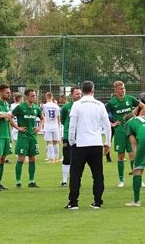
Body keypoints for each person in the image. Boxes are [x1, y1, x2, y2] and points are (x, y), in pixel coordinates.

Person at [65, 81, 111, 210]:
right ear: (93, 89)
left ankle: (73, 202)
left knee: (75, 174)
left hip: (80, 143)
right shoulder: (100, 105)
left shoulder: (77, 104)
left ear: (82, 90)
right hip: (96, 143)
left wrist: (71, 141)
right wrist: (107, 143)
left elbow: (72, 124)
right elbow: (107, 125)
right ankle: (97, 201)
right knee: (97, 174)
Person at [105, 81, 145, 188]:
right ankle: (121, 180)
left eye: (124, 88)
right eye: (120, 88)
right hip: (120, 131)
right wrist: (112, 124)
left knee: (133, 155)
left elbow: (144, 107)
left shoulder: (130, 99)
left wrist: (137, 118)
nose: (123, 90)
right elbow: (102, 114)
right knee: (121, 155)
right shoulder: (112, 103)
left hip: (131, 130)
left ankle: (138, 179)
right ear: (115, 90)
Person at [11, 89, 44, 188]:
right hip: (23, 137)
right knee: (21, 158)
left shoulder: (36, 108)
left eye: (35, 96)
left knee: (32, 158)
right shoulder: (20, 107)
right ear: (27, 96)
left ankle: (31, 181)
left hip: (32, 137)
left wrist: (39, 127)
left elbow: (42, 118)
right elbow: (10, 117)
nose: (34, 97)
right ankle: (18, 182)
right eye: (32, 96)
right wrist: (18, 127)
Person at [59, 87, 82, 187]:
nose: (79, 96)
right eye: (77, 94)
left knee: (79, 159)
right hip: (68, 136)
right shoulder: (66, 107)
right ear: (72, 95)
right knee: (67, 158)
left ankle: (76, 180)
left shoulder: (83, 106)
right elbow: (63, 120)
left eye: (80, 94)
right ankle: (64, 180)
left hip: (81, 137)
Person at [42, 92, 61, 163]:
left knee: (49, 142)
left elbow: (42, 116)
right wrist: (58, 126)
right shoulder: (56, 106)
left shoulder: (44, 106)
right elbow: (58, 117)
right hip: (55, 126)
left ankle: (51, 159)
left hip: (48, 126)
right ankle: (56, 158)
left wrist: (43, 125)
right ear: (52, 97)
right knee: (56, 142)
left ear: (46, 97)